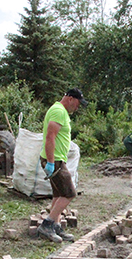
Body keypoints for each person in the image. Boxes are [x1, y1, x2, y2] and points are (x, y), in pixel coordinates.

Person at [37, 88, 88, 243]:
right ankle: (47, 225)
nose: (78, 107)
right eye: (78, 103)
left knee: (59, 194)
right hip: (55, 160)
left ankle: (56, 227)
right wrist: (51, 162)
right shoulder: (58, 111)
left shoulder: (61, 111)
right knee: (69, 193)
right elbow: (50, 137)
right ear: (71, 98)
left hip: (58, 159)